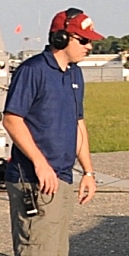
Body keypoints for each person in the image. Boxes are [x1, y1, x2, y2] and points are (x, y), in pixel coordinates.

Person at [3, 7, 103, 256]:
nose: (89, 47)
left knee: (57, 250)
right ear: (61, 38)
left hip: (62, 179)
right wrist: (40, 164)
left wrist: (88, 172)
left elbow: (78, 123)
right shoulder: (33, 70)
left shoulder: (75, 74)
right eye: (83, 40)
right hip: (35, 181)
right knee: (36, 248)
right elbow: (12, 120)